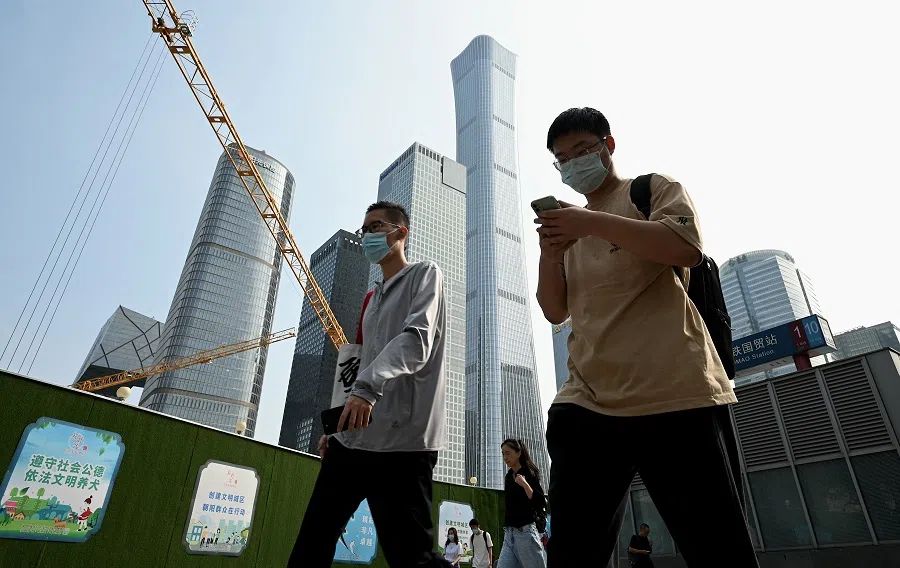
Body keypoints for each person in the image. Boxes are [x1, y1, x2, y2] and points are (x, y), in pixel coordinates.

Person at [535, 107, 759, 568]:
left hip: (674, 393)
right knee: (570, 554)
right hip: (588, 401)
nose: (573, 164)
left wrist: (591, 223)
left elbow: (686, 248)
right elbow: (554, 309)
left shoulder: (650, 190)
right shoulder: (570, 227)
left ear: (608, 146)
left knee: (719, 550)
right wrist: (550, 252)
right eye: (562, 159)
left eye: (582, 151)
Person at [288, 201, 451, 568]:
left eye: (377, 227)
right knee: (312, 541)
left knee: (412, 558)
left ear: (400, 233)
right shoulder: (370, 299)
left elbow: (417, 339)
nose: (368, 236)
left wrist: (368, 388)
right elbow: (355, 361)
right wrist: (336, 428)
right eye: (365, 229)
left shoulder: (425, 275)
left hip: (403, 443)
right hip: (354, 440)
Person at [497, 439, 547, 568]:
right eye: (503, 454)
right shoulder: (508, 476)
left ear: (518, 453)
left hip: (525, 534)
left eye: (508, 453)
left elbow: (540, 502)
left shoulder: (529, 473)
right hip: (509, 535)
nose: (505, 457)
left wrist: (525, 485)